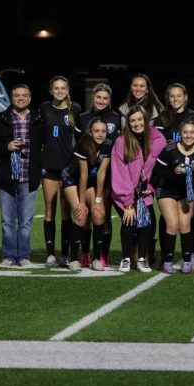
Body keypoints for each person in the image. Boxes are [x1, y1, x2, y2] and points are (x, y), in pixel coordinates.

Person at [0, 84, 44, 267]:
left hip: (29, 176)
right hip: (6, 177)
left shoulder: (38, 118)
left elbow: (46, 143)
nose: (20, 98)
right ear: (12, 97)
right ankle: (9, 256)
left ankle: (24, 256)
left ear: (30, 98)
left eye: (24, 95)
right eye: (17, 95)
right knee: (7, 221)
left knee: (26, 221)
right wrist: (6, 147)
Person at [110, 105, 166, 272]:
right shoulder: (121, 142)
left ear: (146, 120)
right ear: (128, 122)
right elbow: (121, 173)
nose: (136, 123)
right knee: (130, 220)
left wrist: (151, 186)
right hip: (124, 192)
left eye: (140, 119)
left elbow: (159, 168)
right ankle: (126, 258)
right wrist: (128, 202)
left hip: (145, 191)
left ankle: (142, 259)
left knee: (146, 222)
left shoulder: (157, 140)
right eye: (132, 120)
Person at [78, 83, 122, 267]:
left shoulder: (116, 117)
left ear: (109, 100)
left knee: (103, 215)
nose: (101, 101)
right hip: (87, 174)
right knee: (86, 216)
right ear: (93, 98)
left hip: (108, 174)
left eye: (105, 98)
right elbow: (78, 146)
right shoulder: (83, 118)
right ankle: (85, 254)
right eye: (98, 97)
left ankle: (103, 254)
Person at [40, 76, 82, 266]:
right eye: (56, 88)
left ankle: (65, 253)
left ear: (67, 90)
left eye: (62, 88)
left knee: (66, 212)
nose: (59, 91)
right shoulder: (44, 108)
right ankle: (50, 254)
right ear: (51, 90)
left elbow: (81, 140)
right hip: (49, 166)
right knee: (49, 209)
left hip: (68, 168)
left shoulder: (76, 110)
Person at [154, 119, 194, 274]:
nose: (188, 135)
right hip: (166, 190)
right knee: (173, 224)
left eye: (192, 132)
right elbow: (156, 173)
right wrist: (173, 173)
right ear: (180, 134)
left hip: (185, 194)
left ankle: (187, 261)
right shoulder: (170, 149)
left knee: (185, 224)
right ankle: (167, 261)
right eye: (185, 132)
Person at [62, 119, 111, 270]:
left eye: (103, 131)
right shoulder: (83, 144)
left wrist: (98, 199)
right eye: (96, 131)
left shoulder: (108, 145)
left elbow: (101, 173)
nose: (100, 134)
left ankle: (96, 258)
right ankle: (74, 258)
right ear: (90, 132)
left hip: (91, 181)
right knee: (81, 215)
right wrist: (82, 203)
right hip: (72, 179)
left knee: (98, 213)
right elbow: (82, 175)